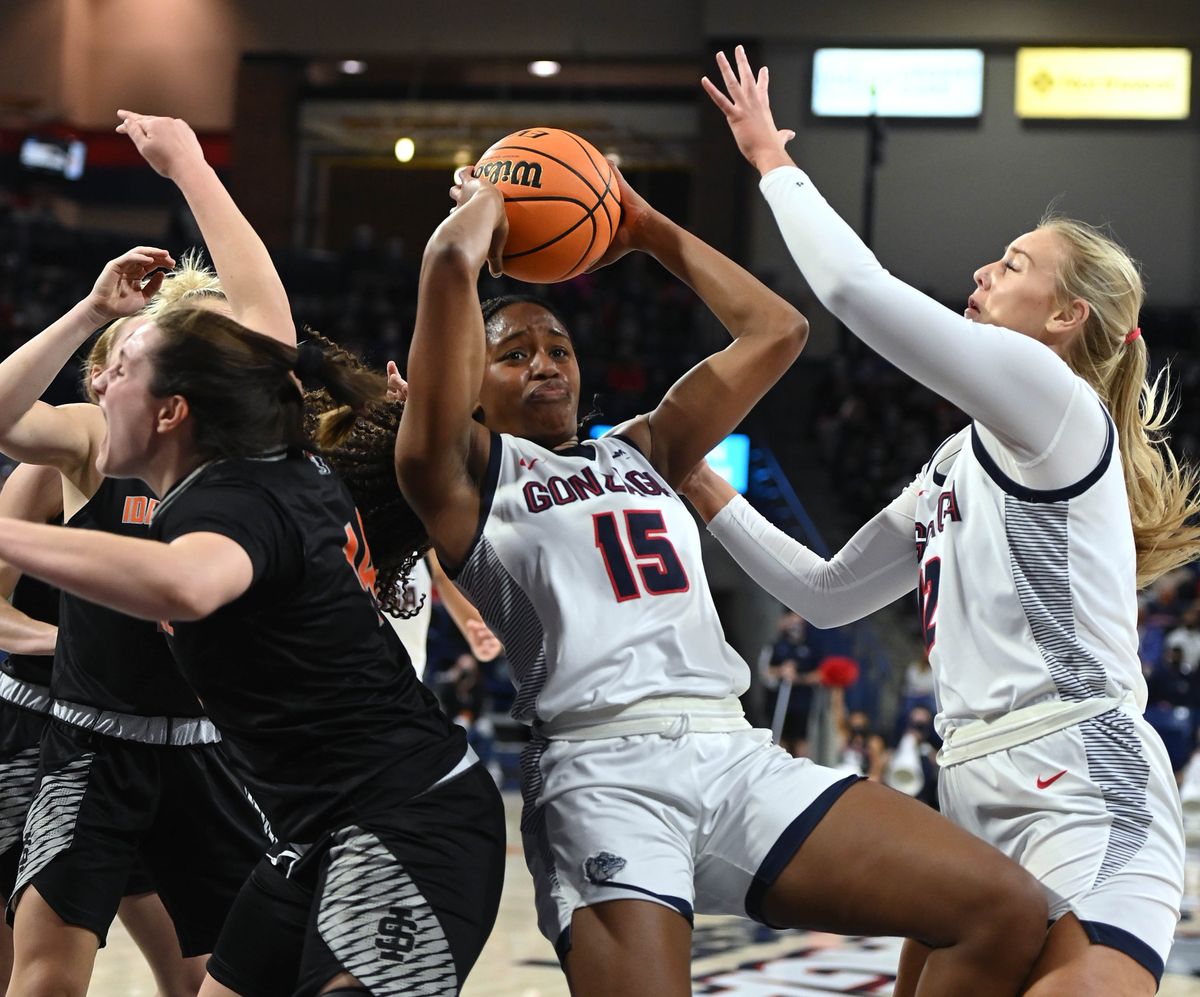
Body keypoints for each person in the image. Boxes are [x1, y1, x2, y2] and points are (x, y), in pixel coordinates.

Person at [393, 162, 1048, 995]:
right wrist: (486, 209)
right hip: (602, 772)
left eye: (559, 347)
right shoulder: (456, 474)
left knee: (1005, 909)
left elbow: (777, 331)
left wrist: (646, 229)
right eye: (513, 353)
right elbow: (449, 265)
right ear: (470, 392)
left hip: (734, 751)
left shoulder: (643, 447)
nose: (546, 363)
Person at [693, 45, 1194, 995]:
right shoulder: (957, 460)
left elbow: (854, 293)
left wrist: (771, 161)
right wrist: (707, 490)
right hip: (965, 787)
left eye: (1012, 264)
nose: (982, 268)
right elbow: (828, 593)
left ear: (1064, 319)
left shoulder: (1055, 400)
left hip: (1081, 784)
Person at [0, 305, 506, 995]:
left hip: (406, 818)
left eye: (121, 370)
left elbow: (184, 583)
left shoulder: (241, 500)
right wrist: (191, 187)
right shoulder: (252, 472)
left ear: (172, 410)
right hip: (310, 829)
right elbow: (269, 338)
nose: (97, 382)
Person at [0, 107, 300, 994]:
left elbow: (271, 334)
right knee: (45, 972)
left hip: (211, 749)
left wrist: (193, 173)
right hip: (90, 742)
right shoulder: (96, 439)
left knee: (215, 976)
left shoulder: (244, 459)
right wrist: (92, 307)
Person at [0, 462, 226, 997]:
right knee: (31, 969)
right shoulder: (56, 464)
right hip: (40, 734)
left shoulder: (225, 464)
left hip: (167, 743)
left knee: (202, 977)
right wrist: (79, 643)